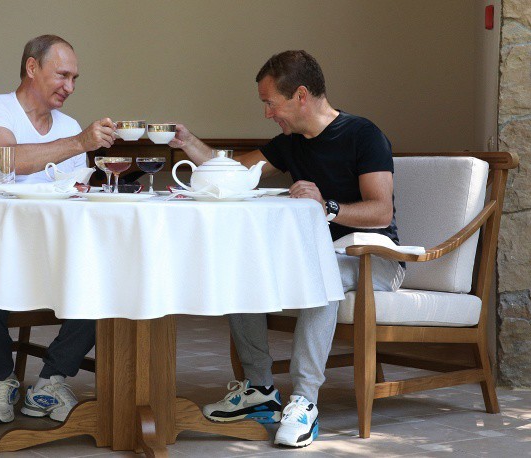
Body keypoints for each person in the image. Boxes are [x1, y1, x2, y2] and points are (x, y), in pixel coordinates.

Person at [168, 50, 406, 448]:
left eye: (270, 103)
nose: (266, 113)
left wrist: (328, 207)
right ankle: (260, 389)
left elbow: (381, 211)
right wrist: (188, 142)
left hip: (375, 257)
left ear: (300, 95)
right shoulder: (291, 143)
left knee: (319, 272)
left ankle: (305, 400)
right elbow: (234, 174)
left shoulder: (363, 134)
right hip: (318, 253)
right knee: (243, 269)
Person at [0, 34, 116, 424]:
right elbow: (7, 159)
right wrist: (80, 142)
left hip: (53, 252)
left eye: (75, 78)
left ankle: (50, 382)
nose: (70, 87)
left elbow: (74, 196)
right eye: (62, 75)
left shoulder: (68, 125)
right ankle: (2, 379)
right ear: (32, 67)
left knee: (106, 289)